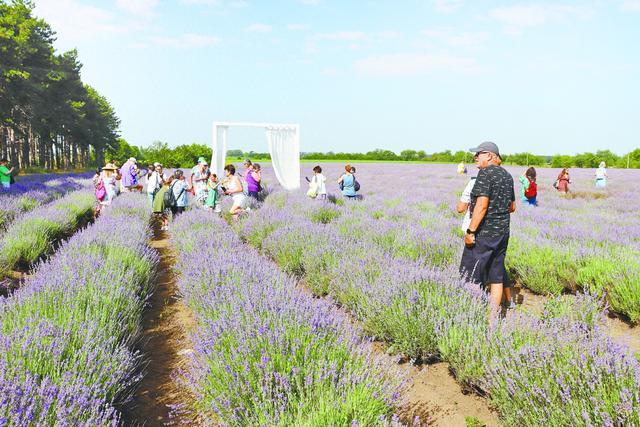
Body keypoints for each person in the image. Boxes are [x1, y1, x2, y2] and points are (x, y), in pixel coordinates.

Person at [459, 142, 516, 325]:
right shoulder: (507, 176)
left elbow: (482, 205)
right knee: (496, 276)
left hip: (483, 234)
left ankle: (470, 317)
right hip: (502, 233)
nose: (475, 157)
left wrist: (471, 231)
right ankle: (492, 320)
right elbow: (512, 207)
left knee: (470, 275)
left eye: (479, 154)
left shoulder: (485, 174)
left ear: (490, 156)